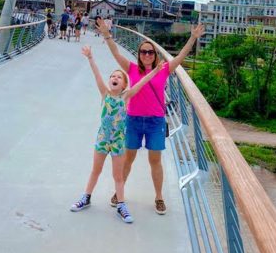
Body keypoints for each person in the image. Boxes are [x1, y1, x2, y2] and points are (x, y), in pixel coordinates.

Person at [96, 18, 205, 215]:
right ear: (139, 55)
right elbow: (115, 52)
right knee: (128, 159)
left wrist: (193, 38)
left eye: (150, 52)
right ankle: (118, 193)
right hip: (133, 120)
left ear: (155, 55)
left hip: (155, 122)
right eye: (143, 52)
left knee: (155, 160)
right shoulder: (131, 69)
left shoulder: (163, 69)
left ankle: (159, 197)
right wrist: (106, 34)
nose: (147, 54)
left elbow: (180, 57)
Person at [70, 46, 165, 223]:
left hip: (118, 142)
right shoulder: (105, 93)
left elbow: (142, 82)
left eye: (119, 77)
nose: (114, 78)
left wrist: (155, 71)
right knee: (95, 170)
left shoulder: (126, 96)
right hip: (102, 139)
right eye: (112, 76)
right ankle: (86, 197)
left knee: (118, 176)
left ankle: (121, 205)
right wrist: (90, 58)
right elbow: (97, 74)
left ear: (124, 84)